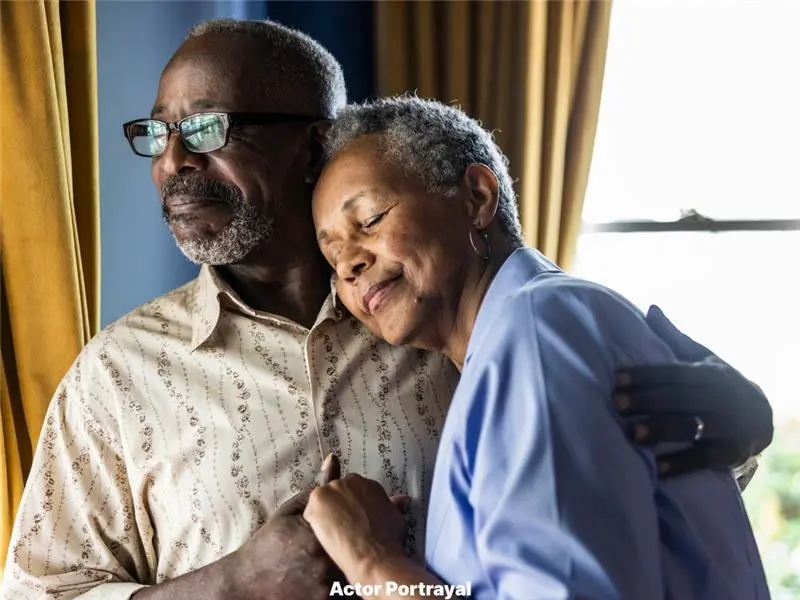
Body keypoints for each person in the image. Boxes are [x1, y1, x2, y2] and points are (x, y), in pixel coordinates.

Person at [1, 19, 771, 600]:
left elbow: (611, 514)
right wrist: (232, 583)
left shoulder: (470, 324)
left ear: (314, 146)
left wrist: (735, 432)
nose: (173, 163)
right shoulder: (116, 378)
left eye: (206, 127)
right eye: (159, 136)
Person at [303, 96, 771, 600]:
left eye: (370, 219)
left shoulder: (536, 329)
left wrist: (372, 563)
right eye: (332, 257)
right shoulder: (515, 342)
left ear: (477, 198)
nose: (349, 263)